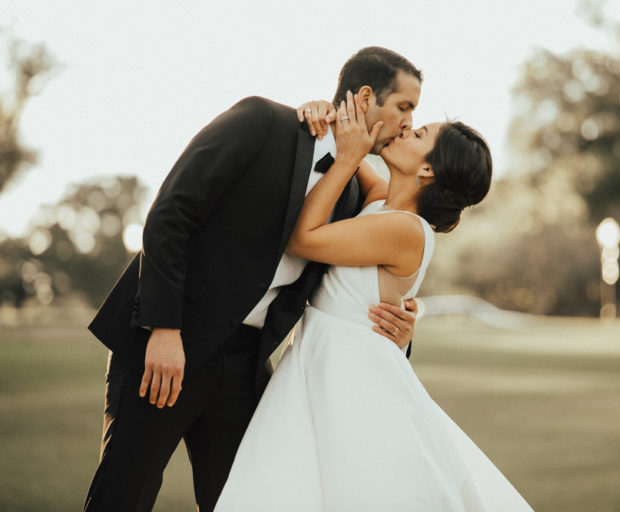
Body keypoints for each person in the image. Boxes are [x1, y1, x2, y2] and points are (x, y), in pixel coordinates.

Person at [84, 47, 425, 512]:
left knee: (248, 501)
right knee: (123, 497)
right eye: (405, 107)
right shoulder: (262, 122)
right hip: (165, 346)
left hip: (246, 366)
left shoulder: (350, 192)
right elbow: (169, 214)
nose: (408, 123)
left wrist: (402, 330)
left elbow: (365, 281)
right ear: (366, 97)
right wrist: (164, 329)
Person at [214, 93, 534, 511]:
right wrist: (322, 113)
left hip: (351, 374)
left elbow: (303, 238)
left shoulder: (406, 229)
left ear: (426, 168)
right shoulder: (383, 202)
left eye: (418, 133)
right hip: (322, 358)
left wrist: (347, 158)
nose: (405, 128)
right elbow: (351, 147)